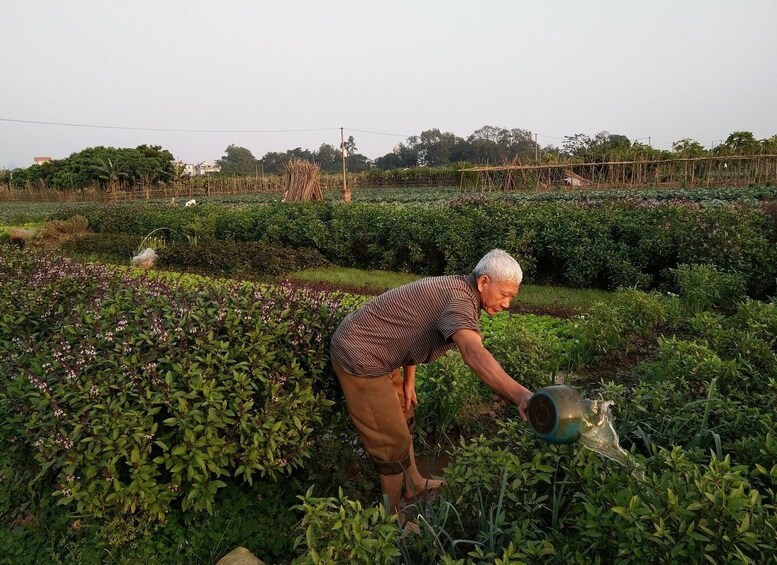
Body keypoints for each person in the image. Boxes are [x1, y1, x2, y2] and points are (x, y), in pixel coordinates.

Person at [330, 249, 533, 523]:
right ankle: (392, 520)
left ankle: (413, 484)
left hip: (380, 349)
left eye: (512, 297)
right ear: (484, 282)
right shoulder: (460, 301)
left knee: (405, 412)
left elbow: (411, 329)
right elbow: (473, 354)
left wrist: (409, 381)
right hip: (361, 356)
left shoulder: (457, 288)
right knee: (392, 443)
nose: (507, 303)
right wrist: (522, 396)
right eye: (504, 295)